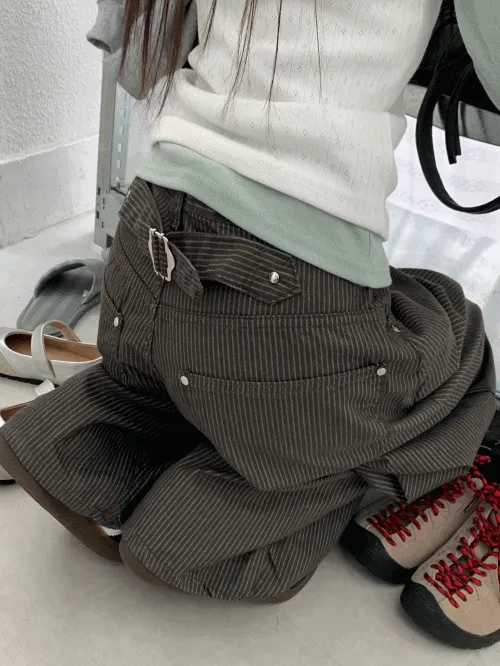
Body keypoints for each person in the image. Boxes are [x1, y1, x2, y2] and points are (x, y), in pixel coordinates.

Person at [0, 0, 497, 605]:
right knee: (455, 333)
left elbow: (135, 60)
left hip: (143, 236)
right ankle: (197, 526)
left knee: (168, 377)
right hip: (276, 289)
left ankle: (65, 446)